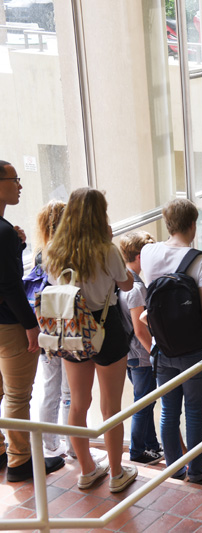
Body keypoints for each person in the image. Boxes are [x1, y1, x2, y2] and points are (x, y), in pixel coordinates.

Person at [45, 188, 137, 492]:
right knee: (111, 407)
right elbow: (126, 282)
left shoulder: (54, 251)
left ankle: (85, 469)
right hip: (105, 326)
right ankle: (115, 473)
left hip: (72, 326)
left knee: (77, 403)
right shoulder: (106, 250)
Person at [139, 198, 202, 487]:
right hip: (195, 350)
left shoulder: (148, 252)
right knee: (196, 412)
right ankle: (198, 474)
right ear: (192, 225)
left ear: (167, 224)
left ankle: (174, 470)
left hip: (162, 347)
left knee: (169, 411)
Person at [0, 160, 65, 481]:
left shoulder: (7, 233)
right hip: (8, 325)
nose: (20, 185)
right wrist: (30, 326)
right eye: (14, 180)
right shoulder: (2, 232)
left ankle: (2, 452)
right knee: (16, 396)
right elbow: (10, 285)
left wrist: (18, 244)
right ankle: (20, 461)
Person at [118, 231, 163, 466]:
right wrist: (155, 353)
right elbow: (140, 329)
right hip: (140, 355)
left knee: (146, 401)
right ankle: (137, 451)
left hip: (131, 354)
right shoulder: (135, 287)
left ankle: (152, 446)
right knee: (143, 403)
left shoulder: (123, 280)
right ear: (139, 256)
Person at [32, 200, 72, 457]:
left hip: (46, 325)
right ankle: (75, 446)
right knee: (69, 391)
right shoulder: (68, 252)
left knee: (49, 387)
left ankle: (49, 445)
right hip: (68, 326)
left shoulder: (41, 254)